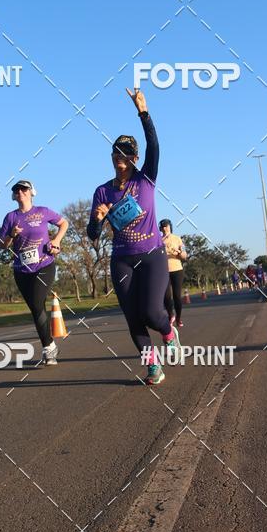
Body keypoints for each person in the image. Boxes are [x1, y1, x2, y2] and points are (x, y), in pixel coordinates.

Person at [87, 88, 180, 386]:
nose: (121, 158)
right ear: (112, 156)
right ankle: (153, 366)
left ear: (136, 158)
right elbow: (92, 235)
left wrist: (143, 112)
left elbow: (155, 145)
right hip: (122, 259)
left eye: (127, 154)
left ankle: (168, 331)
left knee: (152, 313)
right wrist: (98, 220)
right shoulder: (102, 191)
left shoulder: (146, 178)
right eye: (117, 153)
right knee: (132, 317)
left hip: (152, 255)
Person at [0, 180, 68, 365]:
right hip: (22, 270)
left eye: (24, 189)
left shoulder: (43, 212)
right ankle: (50, 346)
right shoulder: (10, 217)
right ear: (14, 195)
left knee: (37, 304)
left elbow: (64, 223)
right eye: (17, 190)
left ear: (31, 192)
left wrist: (57, 241)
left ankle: (48, 349)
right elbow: (2, 245)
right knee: (36, 309)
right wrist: (11, 235)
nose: (20, 191)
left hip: (44, 265)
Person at [159, 218, 187, 327]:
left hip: (177, 270)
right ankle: (171, 315)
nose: (164, 228)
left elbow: (184, 256)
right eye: (162, 226)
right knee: (166, 296)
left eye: (166, 226)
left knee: (177, 296)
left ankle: (178, 318)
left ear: (170, 226)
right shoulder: (158, 240)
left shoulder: (177, 239)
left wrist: (179, 252)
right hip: (163, 270)